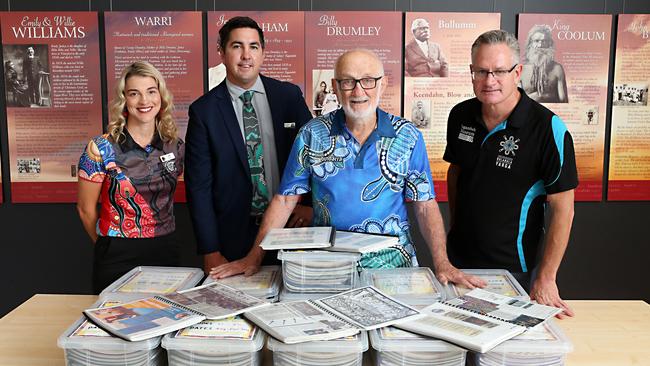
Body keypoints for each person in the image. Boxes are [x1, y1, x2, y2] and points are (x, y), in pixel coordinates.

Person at [210, 49, 484, 291]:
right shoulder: (311, 135)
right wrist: (253, 258)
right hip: (327, 267)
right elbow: (285, 199)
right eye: (348, 81)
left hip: (392, 267)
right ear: (335, 86)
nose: (358, 91)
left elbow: (425, 205)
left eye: (367, 81)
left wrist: (442, 263)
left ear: (383, 84)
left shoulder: (407, 136)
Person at [443, 30, 578, 318]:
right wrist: (454, 227)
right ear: (471, 72)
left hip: (513, 270)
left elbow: (563, 210)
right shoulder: (459, 116)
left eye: (499, 71)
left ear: (517, 72)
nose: (489, 80)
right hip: (458, 263)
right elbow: (456, 173)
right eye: (481, 71)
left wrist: (546, 276)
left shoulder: (548, 130)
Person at [185, 16, 313, 275]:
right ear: (221, 52)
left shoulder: (288, 96)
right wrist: (210, 250)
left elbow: (314, 156)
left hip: (290, 228)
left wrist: (311, 206)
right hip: (233, 237)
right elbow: (199, 187)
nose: (246, 55)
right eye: (237, 46)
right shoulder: (204, 111)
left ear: (263, 53)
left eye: (253, 46)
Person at [77, 61, 184, 293]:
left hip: (165, 249)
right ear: (124, 100)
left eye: (151, 92)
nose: (144, 101)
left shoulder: (175, 146)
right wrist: (109, 244)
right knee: (113, 323)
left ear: (161, 97)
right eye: (134, 94)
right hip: (117, 253)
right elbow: (85, 209)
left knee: (163, 322)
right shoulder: (100, 148)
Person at [520, 25, 568, 103]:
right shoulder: (521, 70)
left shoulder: (557, 69)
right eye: (536, 41)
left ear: (549, 44)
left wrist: (544, 97)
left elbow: (563, 100)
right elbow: (517, 103)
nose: (540, 45)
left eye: (544, 41)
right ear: (530, 44)